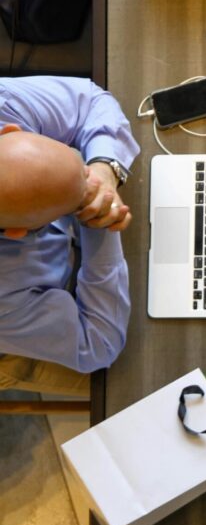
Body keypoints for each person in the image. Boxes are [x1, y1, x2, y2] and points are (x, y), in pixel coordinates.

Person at [0, 76, 140, 395]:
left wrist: (104, 171)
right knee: (131, 388)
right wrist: (98, 222)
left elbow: (90, 101)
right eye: (80, 196)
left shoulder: (4, 104)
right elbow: (97, 346)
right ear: (17, 232)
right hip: (14, 326)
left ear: (11, 131)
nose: (91, 188)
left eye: (82, 171)